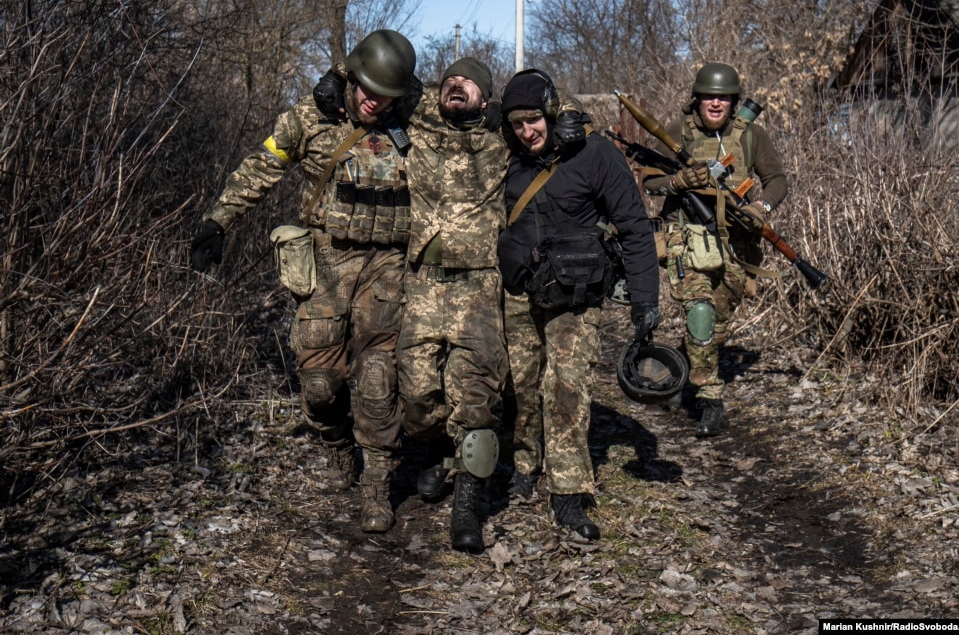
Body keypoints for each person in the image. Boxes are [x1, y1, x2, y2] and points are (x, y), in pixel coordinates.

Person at [190, 29, 422, 533]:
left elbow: (470, 122)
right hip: (327, 264)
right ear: (351, 76)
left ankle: (377, 484)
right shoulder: (309, 117)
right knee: (320, 385)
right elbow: (263, 165)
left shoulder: (414, 118)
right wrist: (218, 221)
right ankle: (337, 445)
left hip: (388, 266)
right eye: (366, 89)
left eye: (386, 96)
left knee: (379, 378)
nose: (373, 103)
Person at [497, 69, 660, 541]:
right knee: (523, 381)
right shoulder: (503, 151)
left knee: (565, 383)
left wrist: (645, 300)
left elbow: (633, 226)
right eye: (517, 124)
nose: (527, 132)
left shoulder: (594, 154)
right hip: (519, 290)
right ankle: (526, 463)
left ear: (550, 111)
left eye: (534, 120)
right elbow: (450, 106)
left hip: (575, 294)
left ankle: (568, 492)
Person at [397, 57, 510, 554]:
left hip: (479, 285)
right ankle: (443, 451)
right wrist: (337, 80)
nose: (455, 87)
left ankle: (468, 505)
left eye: (467, 84)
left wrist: (508, 110)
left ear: (485, 96)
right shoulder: (418, 118)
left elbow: (553, 103)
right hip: (422, 281)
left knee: (478, 396)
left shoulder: (502, 134)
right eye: (449, 82)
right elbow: (378, 65)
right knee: (418, 393)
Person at [641, 61, 788, 437]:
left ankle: (680, 369)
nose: (716, 104)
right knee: (701, 312)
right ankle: (710, 400)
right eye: (709, 97)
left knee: (716, 322)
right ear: (697, 99)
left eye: (724, 98)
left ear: (734, 101)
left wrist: (761, 207)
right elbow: (649, 180)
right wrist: (677, 181)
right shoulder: (677, 132)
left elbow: (776, 181)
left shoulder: (752, 136)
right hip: (687, 240)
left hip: (735, 246)